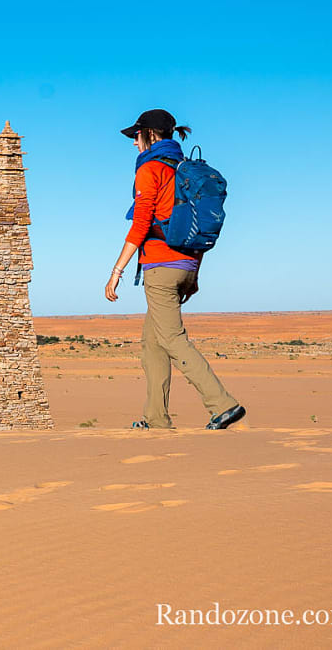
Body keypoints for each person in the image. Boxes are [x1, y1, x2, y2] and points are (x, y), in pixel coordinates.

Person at [105, 109, 245, 430]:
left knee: (172, 339)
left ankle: (223, 404)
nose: (134, 143)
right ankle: (156, 420)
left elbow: (142, 223)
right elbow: (201, 226)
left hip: (160, 266)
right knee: (152, 344)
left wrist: (117, 271)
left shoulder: (151, 169)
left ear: (150, 135)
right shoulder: (183, 170)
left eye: (136, 136)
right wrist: (194, 272)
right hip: (187, 265)